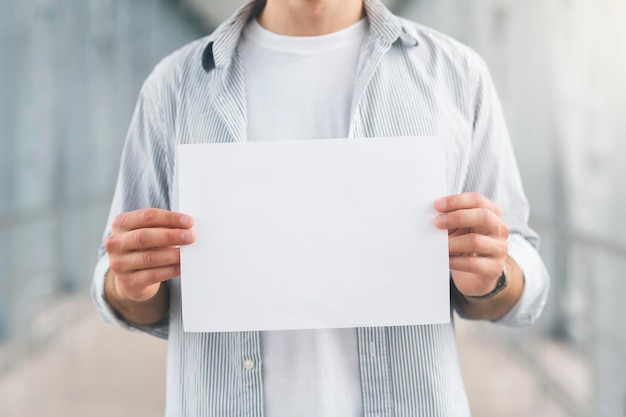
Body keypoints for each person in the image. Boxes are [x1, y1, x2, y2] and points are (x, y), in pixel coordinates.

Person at [92, 0, 550, 415]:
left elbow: (520, 270)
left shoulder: (456, 74)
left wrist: (492, 277)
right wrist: (129, 283)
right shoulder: (174, 86)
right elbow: (121, 283)